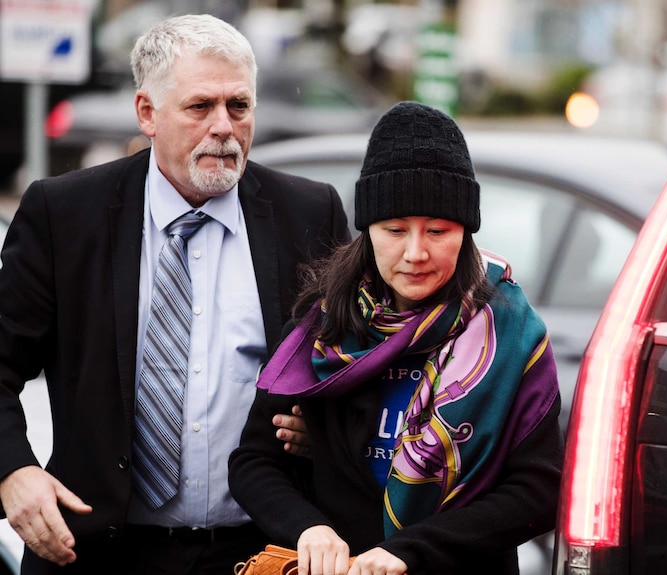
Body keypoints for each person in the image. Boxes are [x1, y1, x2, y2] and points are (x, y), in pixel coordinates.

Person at [0, 14, 349, 575]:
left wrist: (327, 430)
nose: (224, 128)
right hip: (94, 549)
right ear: (147, 113)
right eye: (199, 106)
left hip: (260, 550)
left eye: (239, 106)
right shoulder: (64, 215)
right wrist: (12, 471)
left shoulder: (309, 213)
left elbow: (352, 367)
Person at [228, 101, 563, 575]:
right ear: (367, 230)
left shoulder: (510, 334)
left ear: (466, 231)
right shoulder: (325, 329)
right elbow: (255, 461)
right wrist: (309, 528)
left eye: (438, 230)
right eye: (395, 230)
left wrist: (411, 551)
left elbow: (538, 490)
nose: (415, 252)